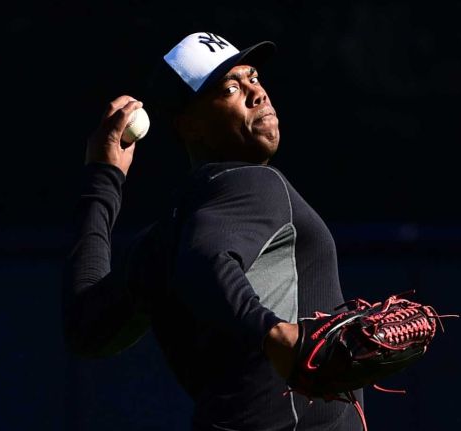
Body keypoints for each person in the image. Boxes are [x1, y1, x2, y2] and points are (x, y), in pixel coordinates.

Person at [63, 32, 364, 430]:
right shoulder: (256, 184)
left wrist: (103, 179)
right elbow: (204, 258)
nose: (257, 93)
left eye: (253, 77)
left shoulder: (164, 238)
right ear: (190, 126)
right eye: (230, 88)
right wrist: (273, 333)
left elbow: (86, 325)